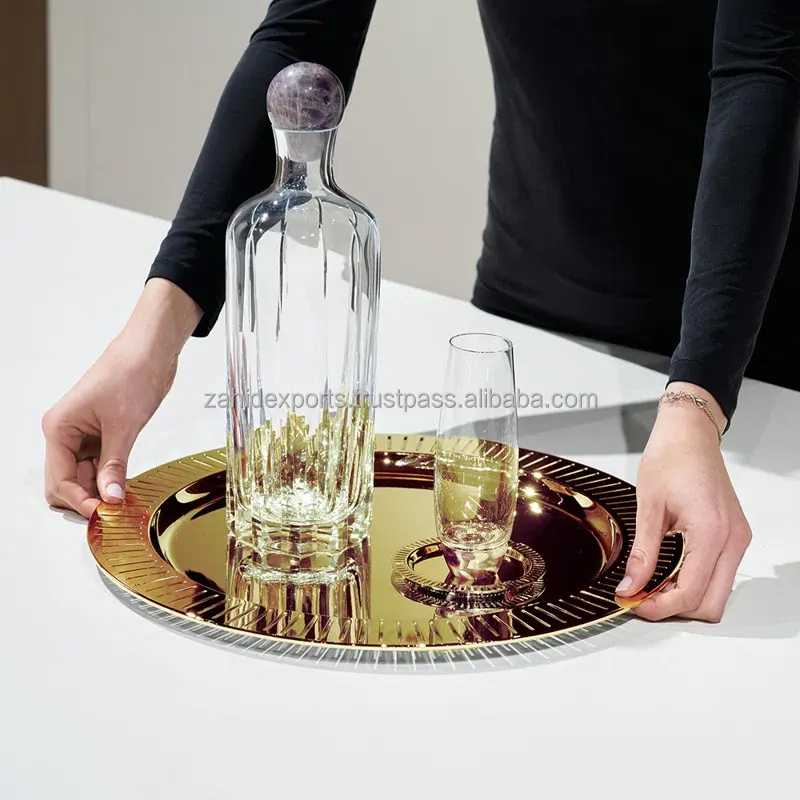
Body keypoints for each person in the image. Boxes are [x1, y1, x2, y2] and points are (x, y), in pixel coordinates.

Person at [42, 0, 800, 623]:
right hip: (534, 309)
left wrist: (697, 401)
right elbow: (306, 35)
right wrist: (150, 339)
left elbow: (760, 71)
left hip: (749, 345)